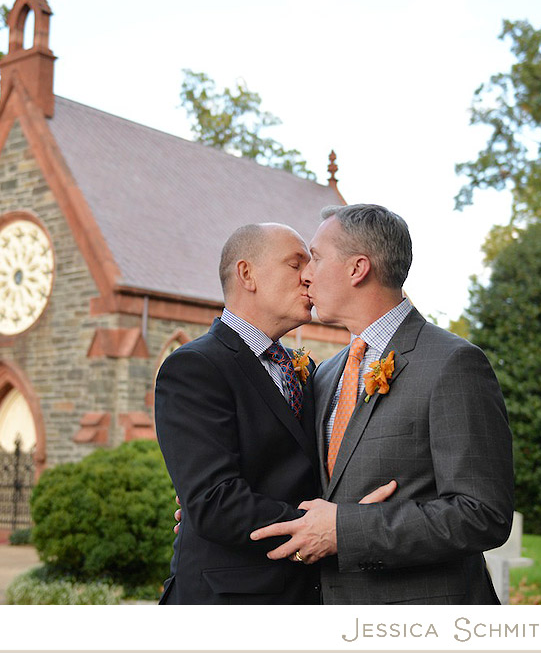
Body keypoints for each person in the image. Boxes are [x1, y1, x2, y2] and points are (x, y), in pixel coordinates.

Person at [250, 204, 515, 604]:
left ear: (358, 269)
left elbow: (483, 514)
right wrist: (217, 508)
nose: (306, 273)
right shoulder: (326, 375)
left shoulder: (452, 363)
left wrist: (349, 530)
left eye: (317, 258)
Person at [153, 222, 323, 604]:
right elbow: (215, 502)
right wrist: (323, 531)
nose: (310, 276)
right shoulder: (195, 367)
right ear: (247, 274)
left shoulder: (307, 370)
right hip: (230, 599)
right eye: (296, 264)